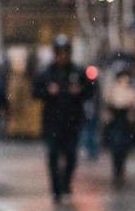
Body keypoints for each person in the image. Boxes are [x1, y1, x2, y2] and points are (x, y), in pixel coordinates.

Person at [31, 35, 94, 202]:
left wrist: (79, 91)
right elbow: (35, 92)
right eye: (59, 53)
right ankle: (56, 188)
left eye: (65, 53)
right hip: (52, 121)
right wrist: (48, 92)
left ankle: (66, 183)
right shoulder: (46, 72)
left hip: (72, 121)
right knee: (53, 155)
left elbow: (90, 91)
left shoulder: (77, 71)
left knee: (71, 155)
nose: (62, 56)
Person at [103, 70, 135, 184]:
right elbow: (108, 103)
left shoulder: (131, 91)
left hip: (125, 122)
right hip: (116, 121)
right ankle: (117, 167)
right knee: (117, 145)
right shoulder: (113, 90)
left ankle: (120, 167)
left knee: (124, 146)